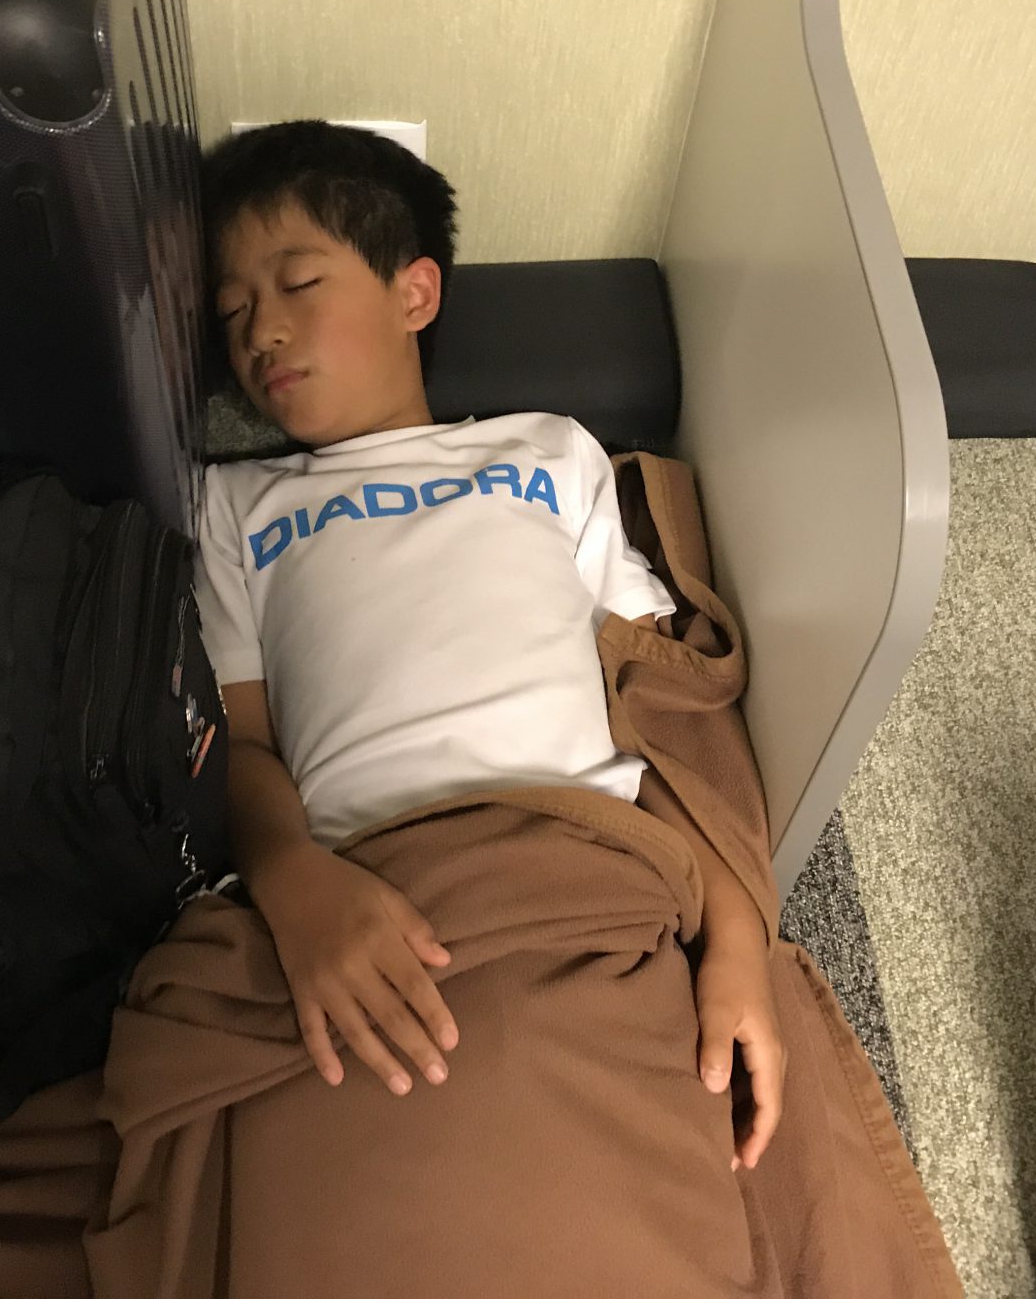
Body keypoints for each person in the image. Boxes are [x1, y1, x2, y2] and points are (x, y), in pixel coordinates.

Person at [194, 121, 786, 1167]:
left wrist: (738, 939)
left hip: (578, 859)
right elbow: (242, 744)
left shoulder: (545, 450)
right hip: (364, 880)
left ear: (414, 294)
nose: (261, 333)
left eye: (297, 284)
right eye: (233, 310)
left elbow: (660, 704)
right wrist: (292, 881)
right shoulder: (233, 504)